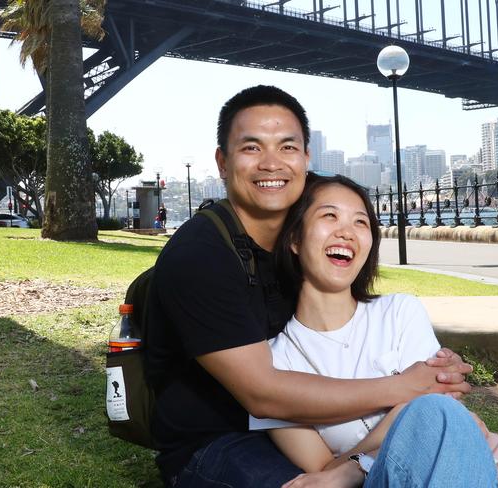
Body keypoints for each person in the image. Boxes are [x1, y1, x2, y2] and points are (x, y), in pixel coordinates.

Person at [144, 85, 473, 488]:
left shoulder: (306, 209)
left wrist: (432, 373)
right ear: (222, 162)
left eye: (287, 147)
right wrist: (405, 384)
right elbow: (264, 394)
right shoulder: (201, 254)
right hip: (216, 439)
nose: (271, 164)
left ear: (305, 158)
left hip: (299, 428)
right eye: (251, 148)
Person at [249, 173, 498, 487]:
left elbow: (436, 416)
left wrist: (356, 464)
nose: (347, 233)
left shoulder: (399, 313)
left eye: (360, 222)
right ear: (294, 239)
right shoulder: (272, 363)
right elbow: (322, 470)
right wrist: (405, 408)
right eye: (329, 216)